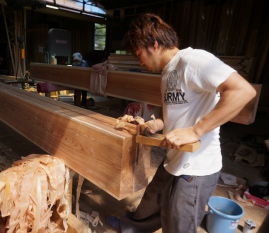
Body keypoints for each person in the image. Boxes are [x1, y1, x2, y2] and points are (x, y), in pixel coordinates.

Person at [106, 13, 256, 233]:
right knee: (151, 201)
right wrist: (159, 124)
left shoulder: (193, 60)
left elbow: (243, 91)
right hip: (174, 156)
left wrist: (196, 130)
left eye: (140, 54)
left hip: (197, 166)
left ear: (154, 45)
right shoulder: (168, 73)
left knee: (178, 221)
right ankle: (132, 227)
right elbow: (177, 112)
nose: (140, 61)